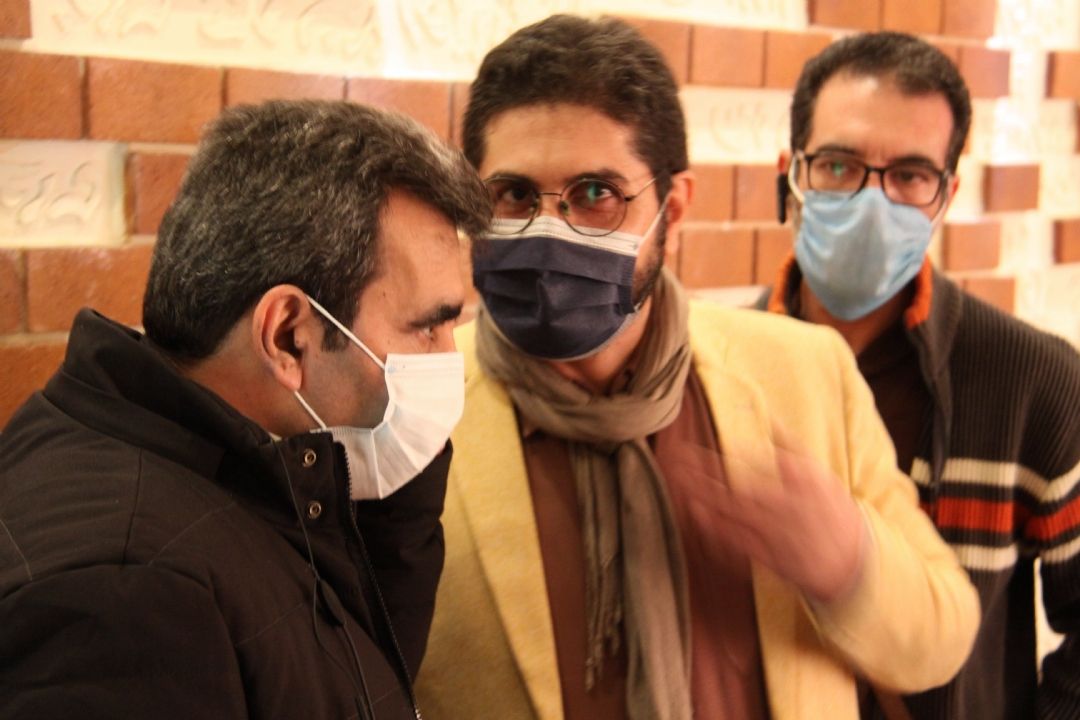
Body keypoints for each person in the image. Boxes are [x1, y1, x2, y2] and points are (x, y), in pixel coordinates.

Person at [414, 15, 979, 720]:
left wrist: (851, 564)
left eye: (596, 195)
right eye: (516, 196)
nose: (550, 230)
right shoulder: (415, 412)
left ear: (673, 210)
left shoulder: (805, 374)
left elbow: (943, 637)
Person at [0, 100, 490, 718]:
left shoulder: (256, 476)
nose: (450, 357)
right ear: (288, 336)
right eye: (428, 327)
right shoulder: (126, 596)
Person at [761, 31, 1080, 719]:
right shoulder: (722, 371)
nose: (872, 201)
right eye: (839, 165)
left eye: (909, 175)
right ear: (791, 174)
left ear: (946, 195)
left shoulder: (1035, 384)